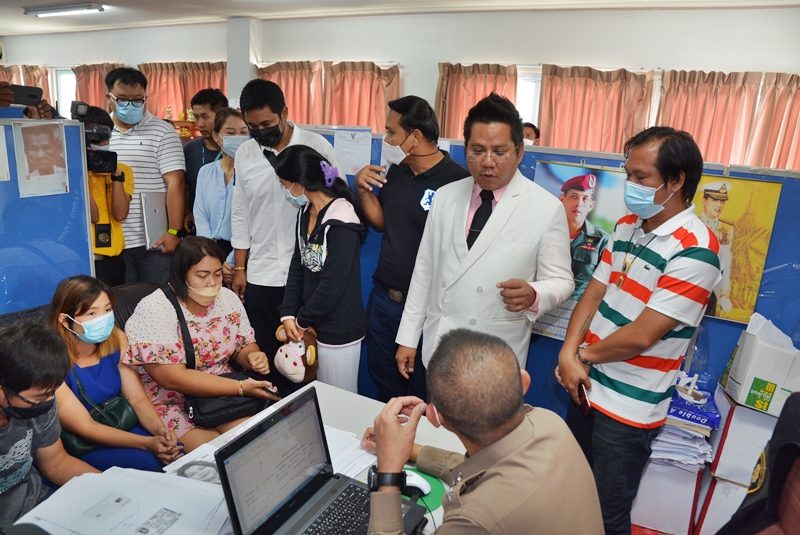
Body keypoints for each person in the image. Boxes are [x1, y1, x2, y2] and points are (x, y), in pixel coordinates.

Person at [555, 126, 723, 535]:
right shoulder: (629, 224)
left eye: (641, 177)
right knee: (572, 496)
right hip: (586, 387)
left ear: (677, 180)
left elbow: (642, 335)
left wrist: (579, 357)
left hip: (628, 411)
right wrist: (567, 354)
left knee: (607, 514)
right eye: (628, 174)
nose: (630, 185)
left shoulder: (697, 248)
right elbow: (593, 293)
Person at [395, 93, 574, 373]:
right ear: (465, 149)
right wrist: (408, 337)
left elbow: (562, 280)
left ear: (519, 152)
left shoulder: (545, 208)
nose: (488, 162)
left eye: (499, 151)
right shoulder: (446, 196)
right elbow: (425, 270)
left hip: (496, 353)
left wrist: (535, 293)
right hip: (439, 345)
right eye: (477, 150)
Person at [363, 329, 604, 535]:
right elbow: (487, 467)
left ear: (435, 418)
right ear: (524, 382)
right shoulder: (549, 423)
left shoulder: (474, 520)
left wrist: (389, 473)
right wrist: (410, 452)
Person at [231, 79, 341, 395]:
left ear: (284, 112)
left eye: (266, 123)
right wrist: (240, 268)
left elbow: (337, 203)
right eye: (252, 126)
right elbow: (240, 212)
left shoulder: (318, 147)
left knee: (306, 360)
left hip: (309, 275)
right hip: (263, 274)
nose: (260, 131)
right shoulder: (246, 154)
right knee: (268, 356)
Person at [356, 95, 469, 402]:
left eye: (391, 132)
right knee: (385, 386)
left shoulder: (459, 181)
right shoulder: (397, 171)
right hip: (384, 301)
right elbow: (382, 223)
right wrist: (364, 190)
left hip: (427, 308)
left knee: (424, 392)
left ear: (415, 136)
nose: (386, 138)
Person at [123, 236, 279, 451]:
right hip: (173, 400)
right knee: (214, 454)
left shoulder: (228, 298)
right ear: (181, 274)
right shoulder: (155, 309)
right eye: (202, 275)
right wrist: (240, 387)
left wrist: (252, 356)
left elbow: (243, 345)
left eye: (217, 274)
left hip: (222, 394)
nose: (212, 283)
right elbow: (173, 379)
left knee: (256, 443)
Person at [50, 276, 180, 471]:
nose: (102, 319)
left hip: (123, 425)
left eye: (108, 310)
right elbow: (86, 427)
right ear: (65, 321)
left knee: (176, 453)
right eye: (91, 313)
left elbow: (137, 398)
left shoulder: (115, 338)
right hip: (87, 443)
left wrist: (160, 431)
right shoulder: (52, 360)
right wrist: (147, 443)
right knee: (151, 463)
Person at [275, 145, 366, 394]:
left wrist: (302, 321)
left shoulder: (342, 219)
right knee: (317, 396)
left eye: (284, 183)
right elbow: (298, 265)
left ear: (299, 182)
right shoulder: (305, 211)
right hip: (309, 324)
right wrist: (287, 314)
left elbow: (332, 285)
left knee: (339, 400)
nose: (284, 189)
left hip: (338, 331)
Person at [0, 321, 99, 529]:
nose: (49, 401)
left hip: (37, 507)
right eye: (40, 396)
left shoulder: (38, 403)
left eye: (52, 392)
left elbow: (57, 463)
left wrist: (109, 486)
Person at [106, 67, 186, 284]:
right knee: (118, 305)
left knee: (157, 302)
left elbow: (175, 184)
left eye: (137, 100)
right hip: (110, 239)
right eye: (123, 100)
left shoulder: (162, 131)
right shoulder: (100, 132)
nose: (130, 106)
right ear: (109, 98)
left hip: (153, 239)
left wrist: (173, 231)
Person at [78, 105, 135, 287]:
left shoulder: (122, 170)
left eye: (106, 138)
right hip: (84, 259)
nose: (102, 144)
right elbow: (93, 215)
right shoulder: (73, 172)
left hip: (112, 259)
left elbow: (120, 214)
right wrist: (80, 172)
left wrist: (116, 176)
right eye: (95, 138)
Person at [194, 107, 248, 267]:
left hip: (241, 252)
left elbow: (252, 223)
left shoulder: (252, 173)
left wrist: (232, 262)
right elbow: (200, 214)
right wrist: (209, 255)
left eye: (244, 132)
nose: (238, 138)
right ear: (217, 136)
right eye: (231, 133)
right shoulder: (206, 172)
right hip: (209, 250)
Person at [184, 88, 228, 234]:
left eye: (205, 116)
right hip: (198, 227)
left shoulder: (237, 150)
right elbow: (185, 188)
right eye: (196, 117)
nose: (200, 124)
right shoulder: (190, 150)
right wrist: (187, 212)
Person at [560, 173, 609, 300]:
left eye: (585, 198)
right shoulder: (544, 230)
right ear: (561, 199)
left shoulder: (602, 241)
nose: (579, 203)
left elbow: (603, 286)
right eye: (573, 196)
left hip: (578, 307)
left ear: (591, 205)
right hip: (542, 302)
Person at [699, 181, 734, 315]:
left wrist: (724, 293)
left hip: (711, 293)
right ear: (705, 200)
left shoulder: (726, 229)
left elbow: (726, 261)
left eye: (722, 202)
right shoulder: (692, 223)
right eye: (715, 200)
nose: (719, 205)